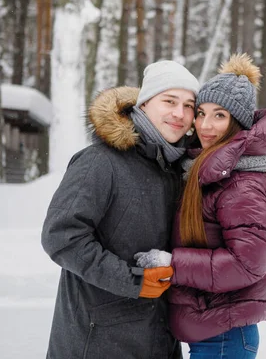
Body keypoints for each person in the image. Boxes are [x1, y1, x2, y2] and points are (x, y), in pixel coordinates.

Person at [134, 53, 266, 359]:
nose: (205, 125)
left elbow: (246, 265)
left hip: (224, 335)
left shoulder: (241, 185)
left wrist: (172, 263)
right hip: (214, 330)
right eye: (201, 113)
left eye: (219, 115)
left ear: (238, 122)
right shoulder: (209, 171)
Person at [41, 60, 201, 358]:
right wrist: (132, 280)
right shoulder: (100, 161)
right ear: (143, 104)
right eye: (169, 101)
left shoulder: (176, 170)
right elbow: (61, 236)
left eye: (189, 105)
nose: (179, 113)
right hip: (97, 340)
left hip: (159, 340)